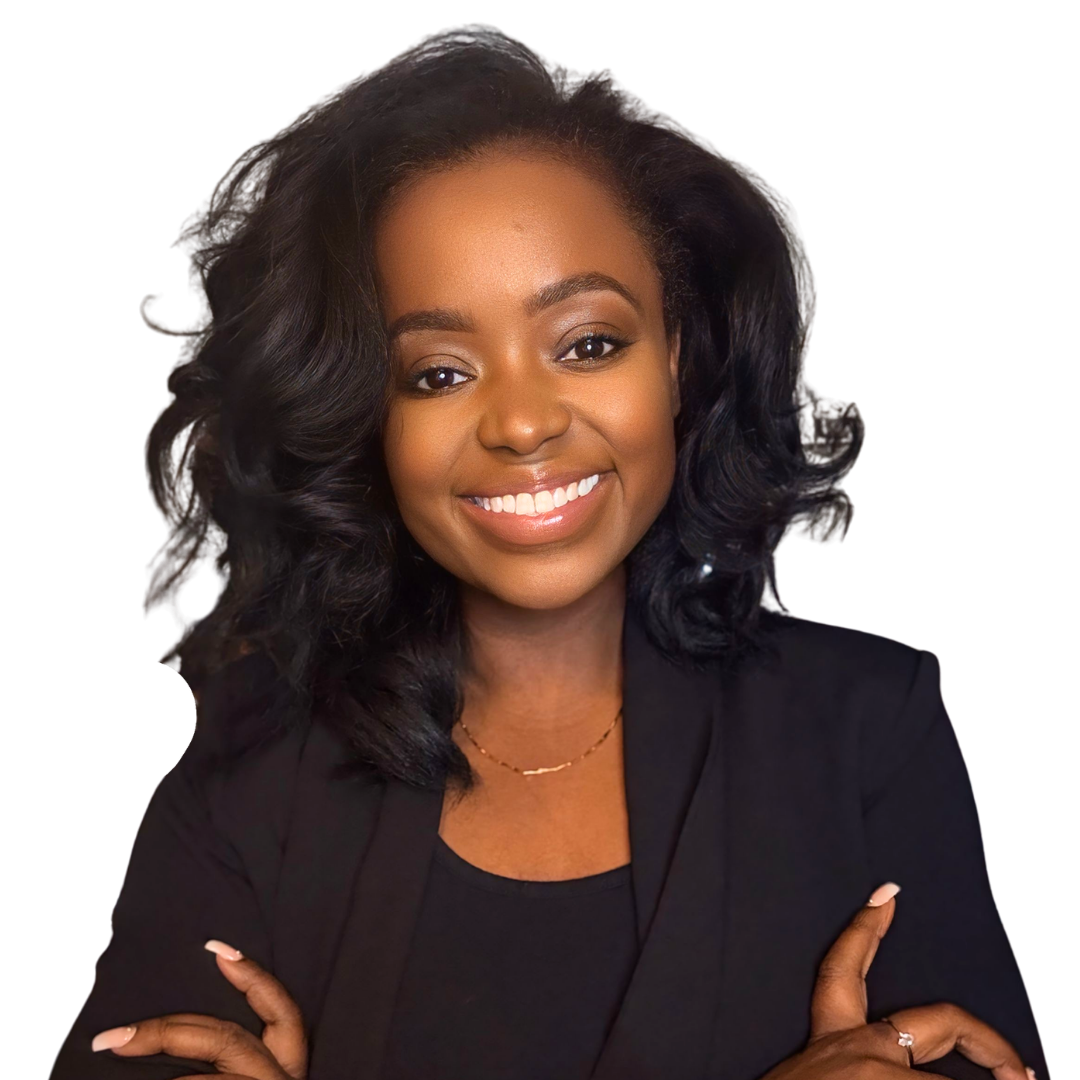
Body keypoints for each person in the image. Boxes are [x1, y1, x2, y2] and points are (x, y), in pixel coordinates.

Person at [49, 23, 1046, 1080]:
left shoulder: (868, 728)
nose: (522, 424)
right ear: (366, 421)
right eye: (436, 373)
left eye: (588, 344)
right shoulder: (248, 769)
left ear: (680, 358)